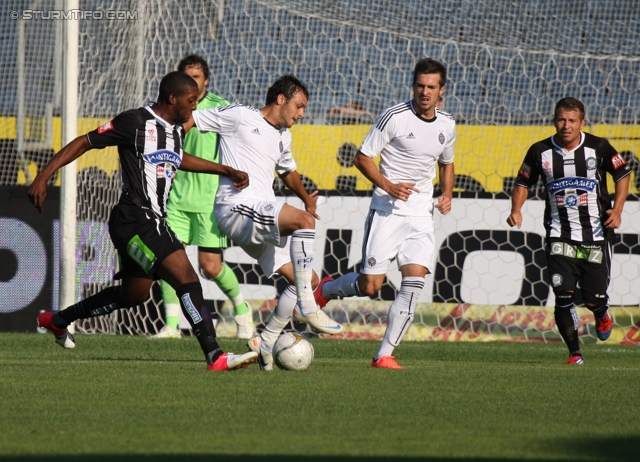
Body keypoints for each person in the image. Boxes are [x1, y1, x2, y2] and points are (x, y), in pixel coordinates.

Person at [28, 71, 258, 371]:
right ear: (172, 98)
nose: (193, 107)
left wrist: (224, 169)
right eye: (190, 101)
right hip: (136, 219)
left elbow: (176, 158)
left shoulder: (176, 129)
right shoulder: (134, 122)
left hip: (148, 221)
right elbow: (84, 142)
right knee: (187, 279)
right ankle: (215, 355)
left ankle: (58, 320)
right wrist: (45, 175)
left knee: (133, 296)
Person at [187, 74, 344, 371]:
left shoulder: (284, 136)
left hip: (260, 212)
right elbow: (191, 120)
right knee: (303, 221)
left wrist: (305, 197)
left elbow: (288, 171)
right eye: (299, 106)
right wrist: (170, 146)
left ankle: (267, 339)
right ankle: (308, 308)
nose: (301, 114)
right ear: (281, 99)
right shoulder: (240, 116)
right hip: (236, 207)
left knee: (307, 280)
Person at [314, 58, 456, 369]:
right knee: (370, 287)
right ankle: (326, 289)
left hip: (421, 217)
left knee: (414, 284)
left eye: (431, 87)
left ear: (441, 90)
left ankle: (384, 355)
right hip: (388, 212)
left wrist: (446, 193)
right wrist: (388, 186)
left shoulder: (447, 125)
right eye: (420, 85)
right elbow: (362, 158)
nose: (424, 92)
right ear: (413, 85)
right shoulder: (394, 117)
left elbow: (447, 162)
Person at [507, 97, 631, 365]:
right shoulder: (539, 151)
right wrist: (516, 209)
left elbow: (622, 174)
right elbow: (522, 182)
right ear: (554, 120)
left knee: (593, 298)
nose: (566, 125)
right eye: (561, 119)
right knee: (563, 297)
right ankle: (575, 354)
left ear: (582, 122)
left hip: (596, 236)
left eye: (572, 120)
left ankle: (602, 313)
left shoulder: (598, 147)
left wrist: (618, 209)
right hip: (558, 235)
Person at [154, 55, 254, 340]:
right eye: (187, 77)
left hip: (210, 200)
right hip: (178, 199)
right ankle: (172, 327)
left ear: (206, 80)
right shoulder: (171, 110)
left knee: (210, 267)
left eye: (197, 78)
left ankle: (242, 312)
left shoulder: (219, 108)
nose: (192, 83)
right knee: (168, 261)